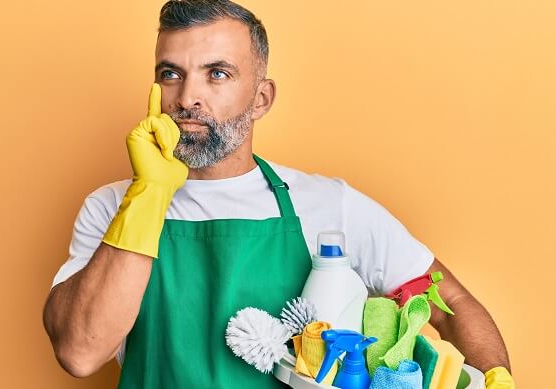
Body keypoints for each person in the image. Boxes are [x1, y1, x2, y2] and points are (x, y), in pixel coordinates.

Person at [42, 1, 515, 388]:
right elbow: (80, 354)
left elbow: (448, 301)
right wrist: (148, 194)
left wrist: (496, 381)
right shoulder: (112, 208)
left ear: (262, 98)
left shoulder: (331, 207)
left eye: (218, 74)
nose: (187, 97)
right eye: (171, 74)